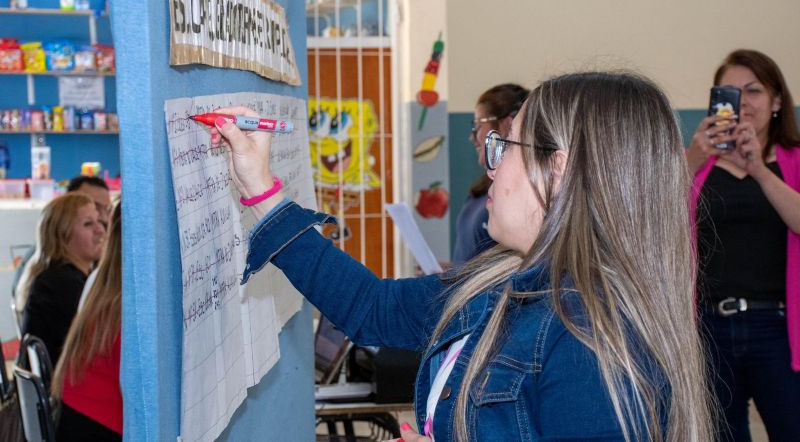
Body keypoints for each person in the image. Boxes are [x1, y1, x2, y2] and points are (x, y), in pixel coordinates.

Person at [212, 71, 713, 441]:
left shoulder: (594, 343)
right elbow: (371, 306)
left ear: (557, 170)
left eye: (506, 146)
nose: (492, 168)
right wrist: (262, 190)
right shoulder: (501, 280)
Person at [687, 49, 800, 442]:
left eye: (753, 90)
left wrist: (759, 171)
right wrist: (692, 158)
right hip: (708, 328)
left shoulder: (794, 160)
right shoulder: (696, 163)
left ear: (777, 100)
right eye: (729, 91)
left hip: (780, 329)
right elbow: (657, 219)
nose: (742, 102)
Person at [52, 202, 122, 441]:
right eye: (87, 223)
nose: (98, 230)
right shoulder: (133, 303)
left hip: (76, 417)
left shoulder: (99, 283)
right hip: (99, 424)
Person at [20, 192, 105, 364]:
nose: (100, 229)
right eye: (88, 224)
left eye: (99, 221)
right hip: (65, 385)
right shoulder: (62, 283)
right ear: (62, 236)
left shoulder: (55, 276)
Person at [452, 83, 528, 266]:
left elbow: (504, 271)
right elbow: (475, 264)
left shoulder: (517, 197)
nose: (473, 137)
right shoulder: (483, 189)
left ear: (507, 125)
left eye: (478, 125)